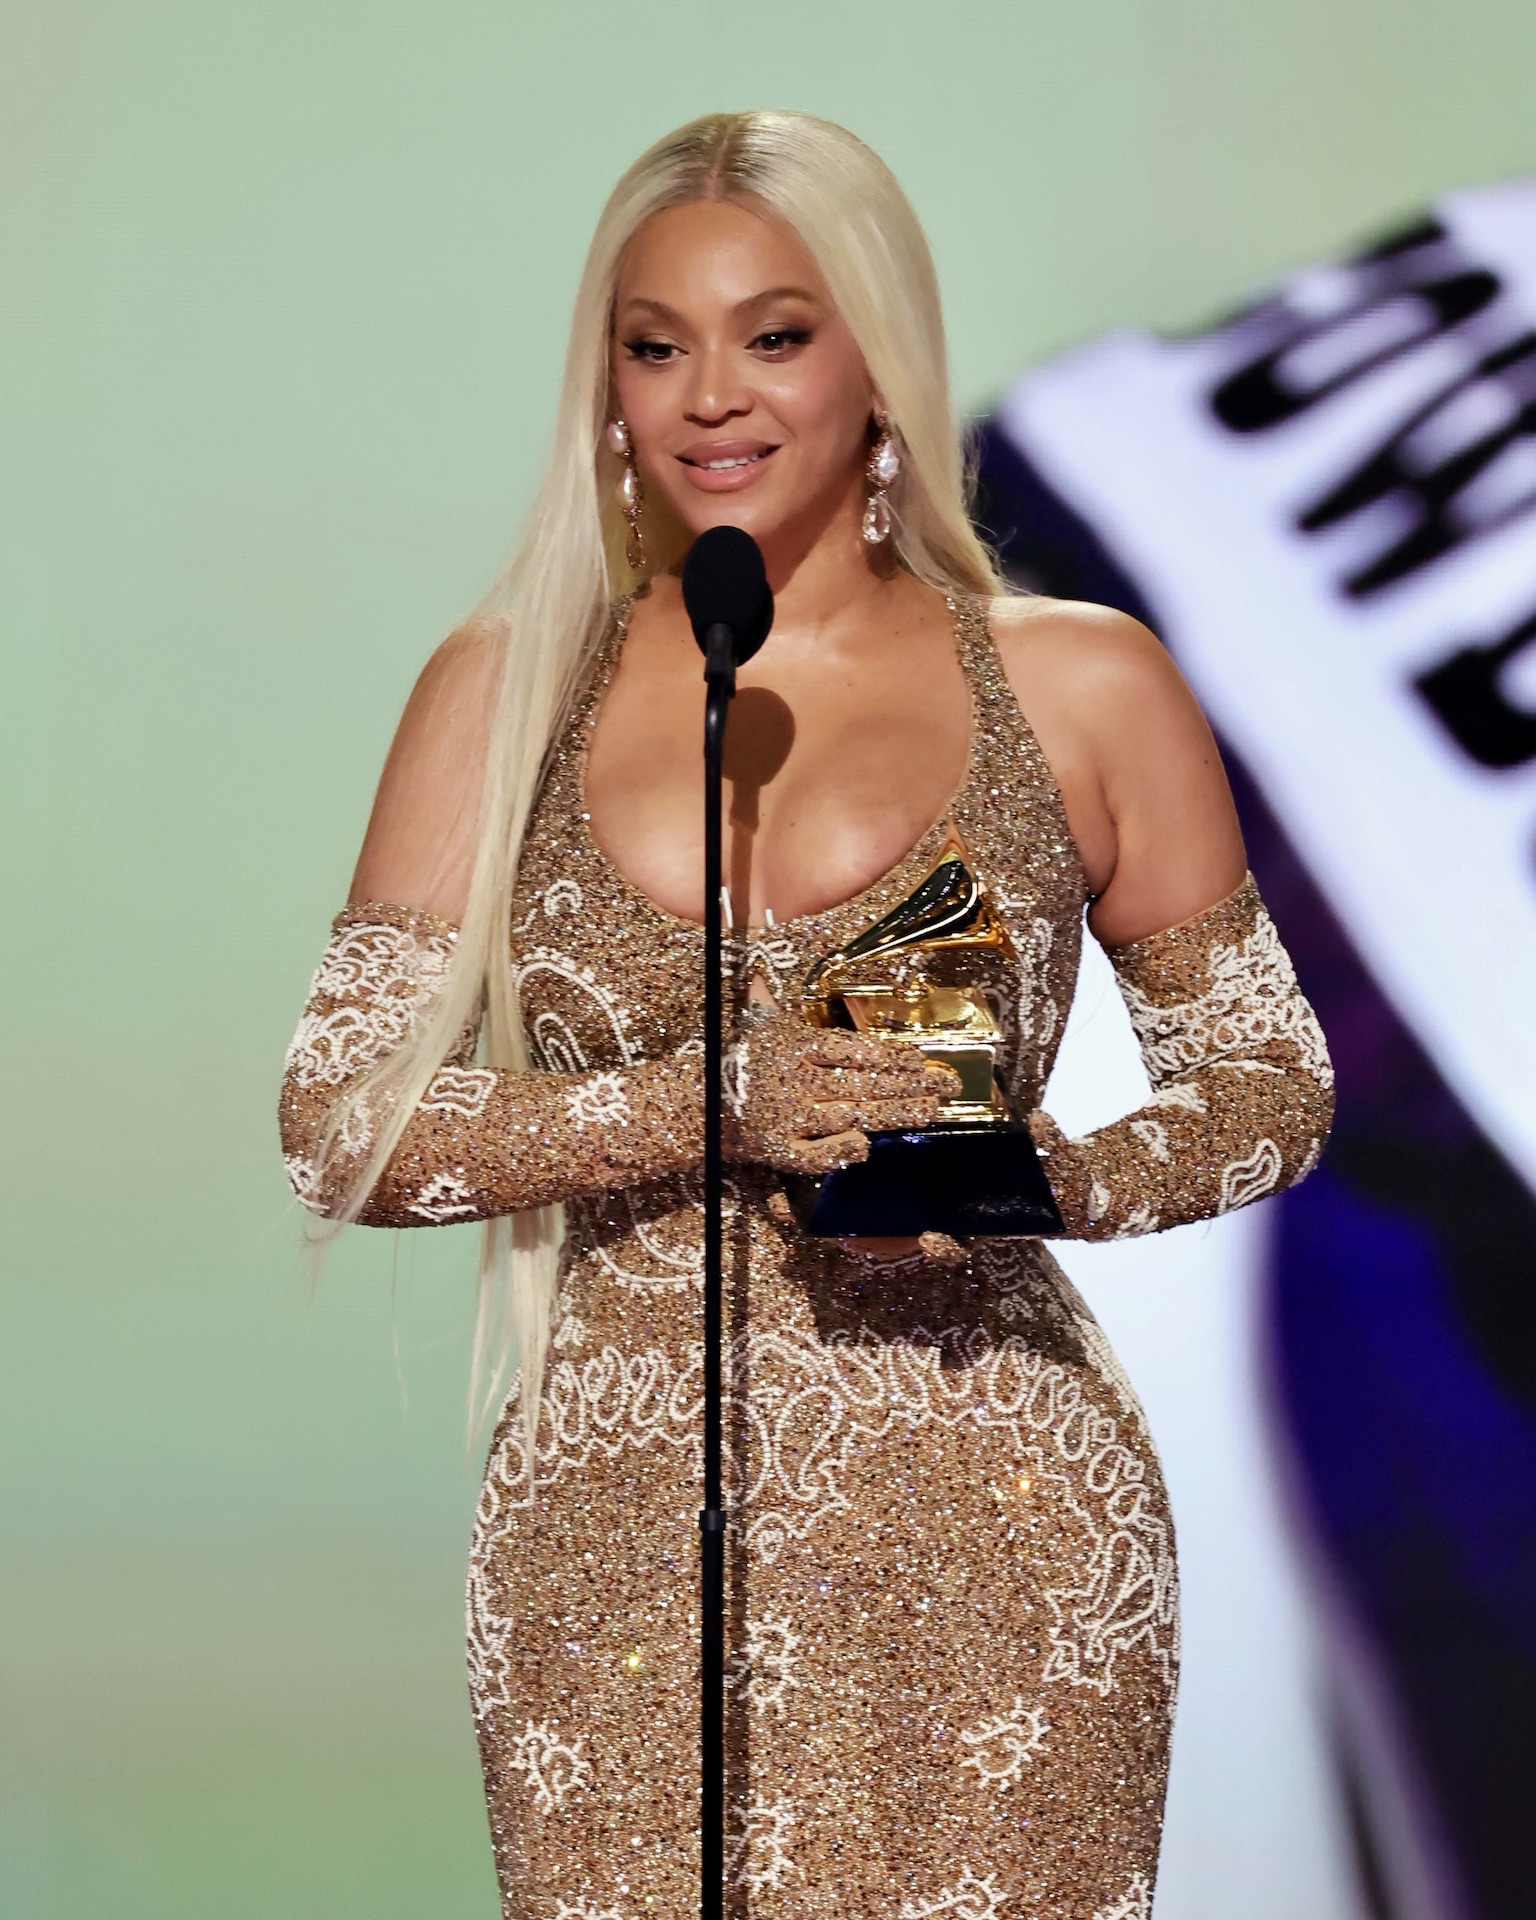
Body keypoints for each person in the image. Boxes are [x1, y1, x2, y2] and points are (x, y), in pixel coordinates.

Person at [279, 110, 1333, 1920]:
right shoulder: (505, 687)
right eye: (655, 342)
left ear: (882, 365)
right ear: (604, 384)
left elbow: (1270, 1082)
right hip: (614, 1551)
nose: (711, 394)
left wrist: (1039, 1180)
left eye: (775, 333)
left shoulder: (1075, 680)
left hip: (998, 1524)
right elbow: (339, 1122)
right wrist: (704, 1103)